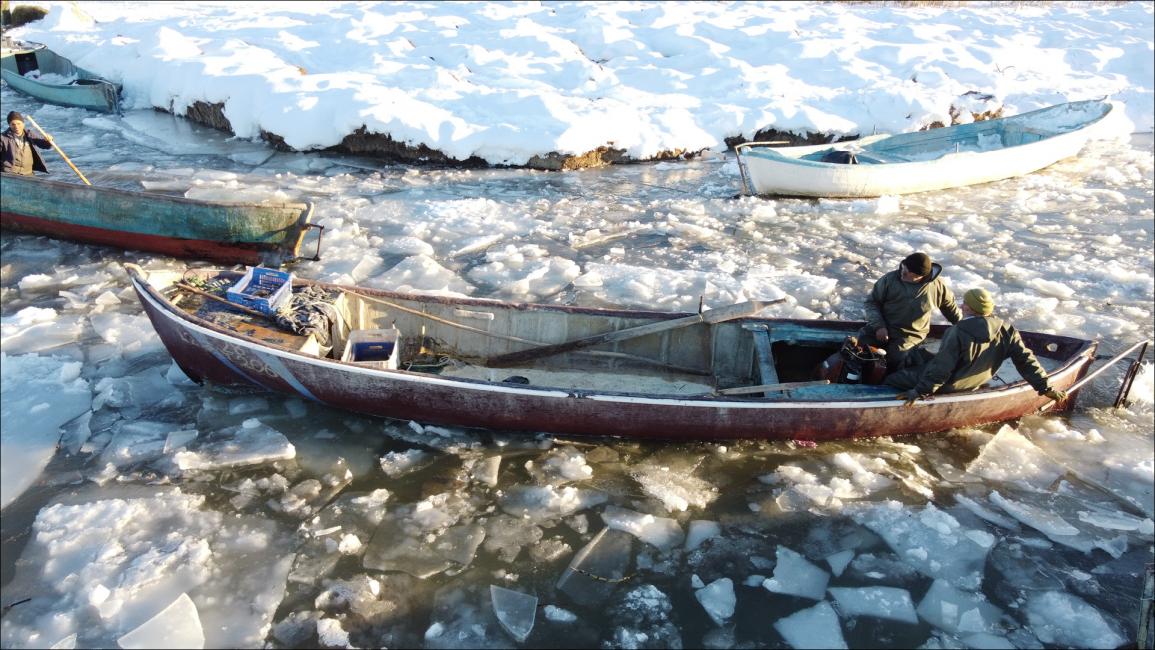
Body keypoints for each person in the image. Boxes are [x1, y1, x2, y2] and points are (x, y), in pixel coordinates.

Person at [887, 287, 1069, 405]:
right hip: (975, 381)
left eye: (964, 303)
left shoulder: (957, 331)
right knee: (918, 355)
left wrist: (919, 391)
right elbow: (1026, 361)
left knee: (892, 379)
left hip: (951, 385)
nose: (960, 305)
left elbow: (942, 369)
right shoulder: (1007, 330)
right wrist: (1046, 388)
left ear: (970, 309)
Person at [858, 252, 961, 372]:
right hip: (883, 326)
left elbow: (950, 308)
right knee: (861, 344)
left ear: (920, 276)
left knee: (895, 358)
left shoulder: (937, 286)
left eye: (908, 272)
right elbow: (871, 302)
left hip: (910, 335)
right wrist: (879, 326)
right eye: (903, 268)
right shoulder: (890, 279)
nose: (903, 272)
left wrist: (965, 327)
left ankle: (886, 384)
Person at [1, 110, 52, 175]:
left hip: (28, 173)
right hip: (10, 174)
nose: (16, 126)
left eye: (18, 123)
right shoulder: (3, 137)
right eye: (13, 124)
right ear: (9, 125)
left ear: (23, 124)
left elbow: (45, 145)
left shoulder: (29, 134)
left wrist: (48, 141)